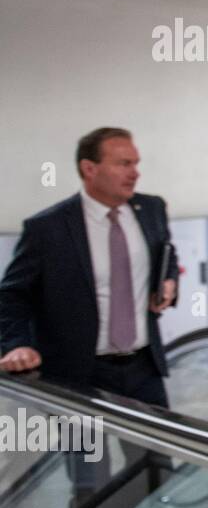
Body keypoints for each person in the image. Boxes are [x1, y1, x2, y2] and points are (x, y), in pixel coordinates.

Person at [0, 127, 178, 404]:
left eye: (136, 163)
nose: (135, 172)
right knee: (85, 448)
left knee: (158, 448)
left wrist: (168, 281)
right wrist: (17, 344)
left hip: (145, 369)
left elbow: (167, 253)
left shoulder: (153, 209)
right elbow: (12, 294)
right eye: (123, 164)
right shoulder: (47, 228)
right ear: (89, 168)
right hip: (78, 374)